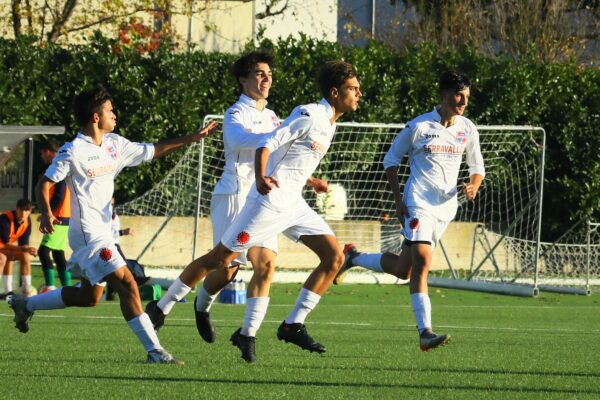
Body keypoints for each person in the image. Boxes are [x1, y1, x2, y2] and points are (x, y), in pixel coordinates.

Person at [147, 60, 361, 360]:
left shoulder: (310, 120)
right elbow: (266, 144)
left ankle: (283, 326)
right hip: (248, 195)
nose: (359, 94)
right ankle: (163, 307)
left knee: (330, 257)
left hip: (290, 201)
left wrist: (310, 180)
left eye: (270, 74)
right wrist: (262, 175)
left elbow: (287, 153)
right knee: (224, 262)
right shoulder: (287, 113)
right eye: (354, 88)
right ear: (336, 92)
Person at [8, 84, 218, 364]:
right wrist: (46, 212)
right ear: (96, 117)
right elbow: (44, 183)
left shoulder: (114, 145)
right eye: (110, 110)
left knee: (89, 296)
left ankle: (26, 304)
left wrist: (193, 137)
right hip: (88, 236)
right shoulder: (73, 151)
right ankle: (155, 352)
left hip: (103, 232)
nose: (115, 115)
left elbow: (153, 150)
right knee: (127, 283)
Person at [334, 70, 485, 352]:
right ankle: (425, 332)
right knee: (423, 262)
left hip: (445, 208)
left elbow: (478, 169)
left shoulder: (468, 129)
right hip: (418, 202)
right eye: (457, 95)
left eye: (466, 96)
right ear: (443, 94)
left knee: (405, 269)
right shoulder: (418, 126)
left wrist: (473, 187)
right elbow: (390, 160)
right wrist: (398, 200)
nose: (463, 101)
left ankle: (353, 257)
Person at [38, 139, 72, 292]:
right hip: (63, 216)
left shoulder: (58, 166)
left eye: (42, 153)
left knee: (43, 251)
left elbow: (59, 195)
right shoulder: (57, 165)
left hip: (58, 216)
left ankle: (50, 286)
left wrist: (48, 213)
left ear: (48, 152)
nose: (42, 157)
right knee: (58, 253)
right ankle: (67, 287)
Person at [0, 199, 38, 298]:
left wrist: (30, 249)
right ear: (17, 209)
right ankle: (7, 291)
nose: (24, 213)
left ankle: (26, 289)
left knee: (24, 255)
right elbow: (6, 243)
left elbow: (23, 244)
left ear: (30, 211)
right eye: (21, 210)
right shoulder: (5, 218)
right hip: (3, 247)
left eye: (27, 210)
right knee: (2, 258)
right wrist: (23, 249)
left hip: (3, 248)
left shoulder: (27, 222)